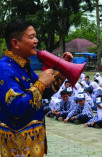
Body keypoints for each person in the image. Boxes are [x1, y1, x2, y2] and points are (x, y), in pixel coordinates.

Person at [0, 19, 73, 156]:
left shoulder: (23, 65)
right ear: (15, 43)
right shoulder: (4, 69)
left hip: (33, 146)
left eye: (35, 36)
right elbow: (16, 107)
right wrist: (40, 84)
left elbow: (44, 93)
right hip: (18, 149)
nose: (36, 41)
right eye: (31, 37)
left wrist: (62, 71)